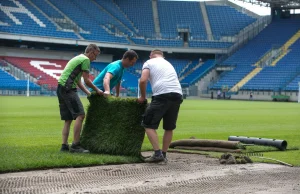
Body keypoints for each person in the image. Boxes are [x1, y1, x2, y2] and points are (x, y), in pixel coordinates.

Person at [137, 49, 183, 163]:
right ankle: (164, 154)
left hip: (162, 94)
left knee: (148, 124)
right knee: (169, 127)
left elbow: (143, 80)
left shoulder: (149, 62)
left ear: (151, 55)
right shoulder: (168, 63)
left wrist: (142, 97)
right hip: (177, 94)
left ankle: (157, 154)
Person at [57, 44, 103, 153]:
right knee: (80, 115)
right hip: (68, 89)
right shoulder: (85, 59)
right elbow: (86, 80)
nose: (95, 58)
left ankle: (64, 146)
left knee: (68, 119)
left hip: (61, 88)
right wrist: (97, 90)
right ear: (91, 52)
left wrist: (88, 92)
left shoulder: (78, 58)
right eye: (95, 55)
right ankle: (75, 146)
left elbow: (78, 80)